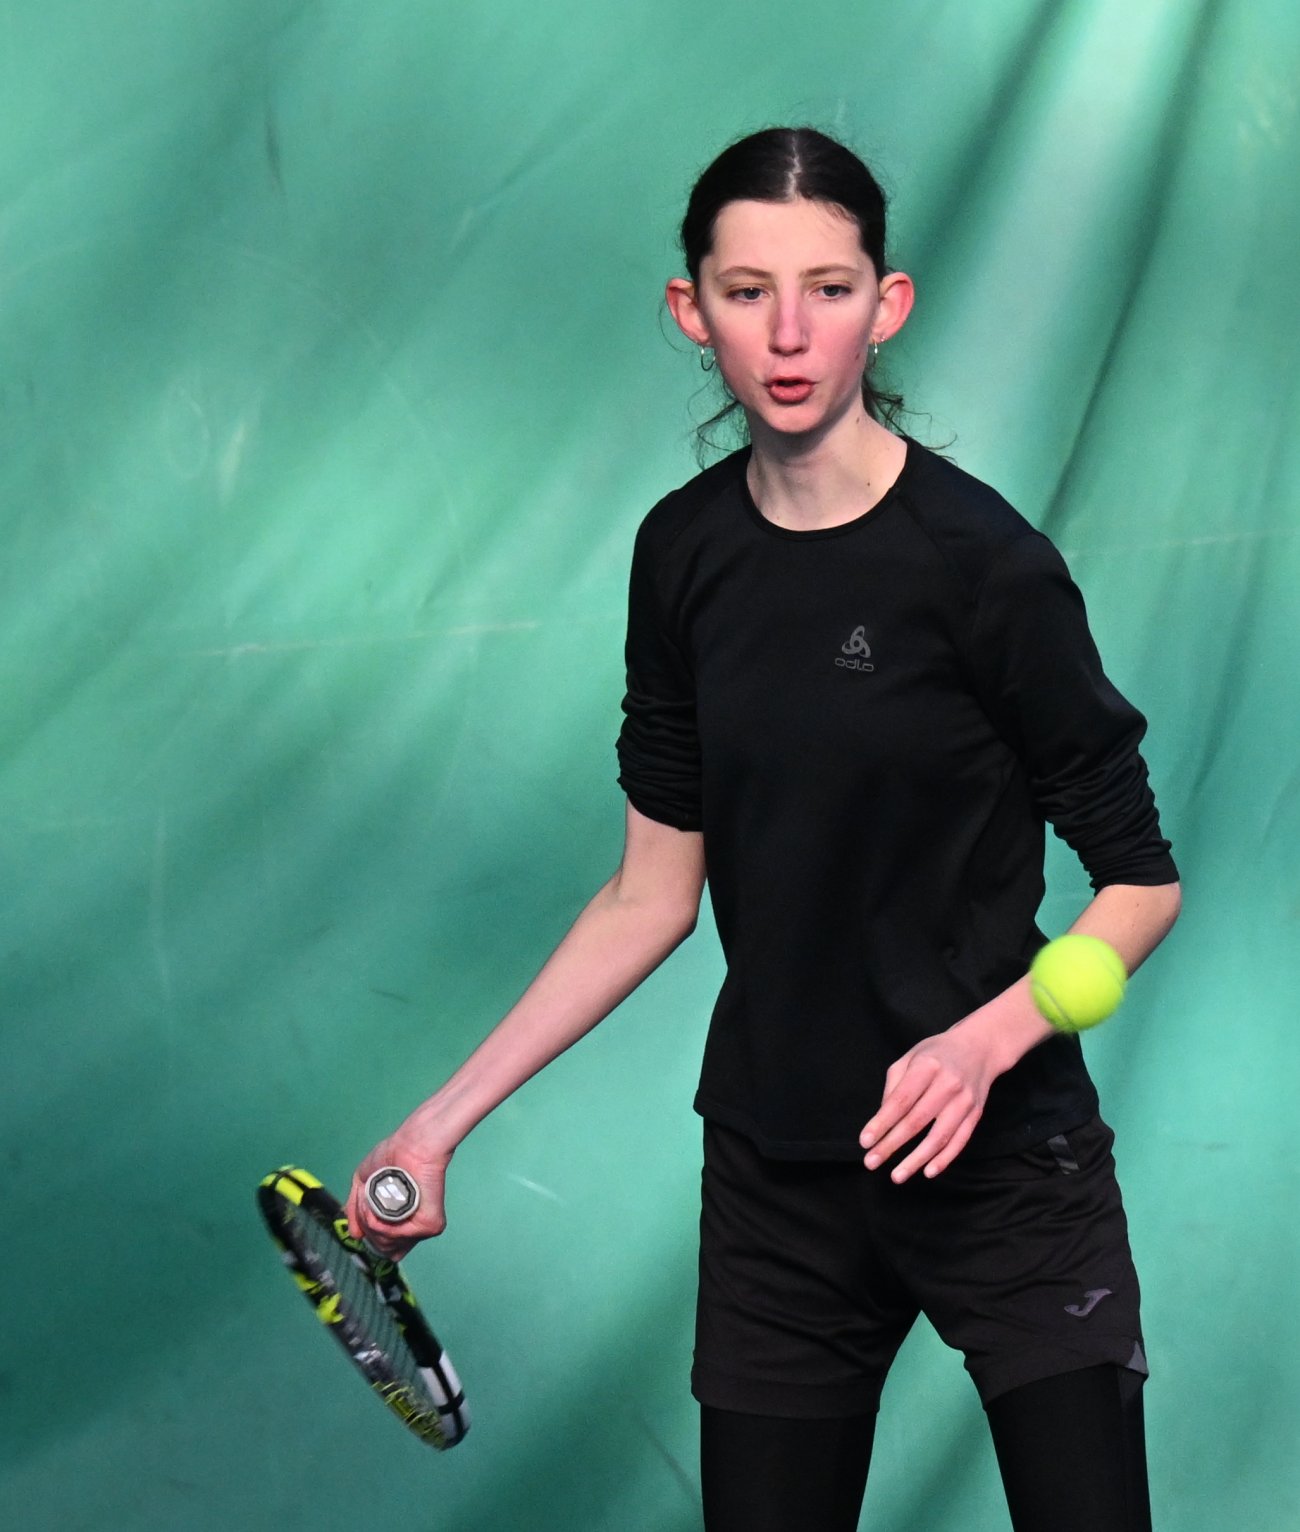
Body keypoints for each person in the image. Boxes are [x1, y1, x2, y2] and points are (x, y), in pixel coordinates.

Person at [347, 127, 1181, 1531]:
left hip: (1005, 1169)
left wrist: (986, 1044)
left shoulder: (986, 568)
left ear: (886, 304)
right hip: (780, 1179)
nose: (790, 333)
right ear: (694, 311)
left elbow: (1140, 888)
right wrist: (438, 1127)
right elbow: (649, 895)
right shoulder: (681, 556)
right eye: (748, 292)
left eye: (828, 289)